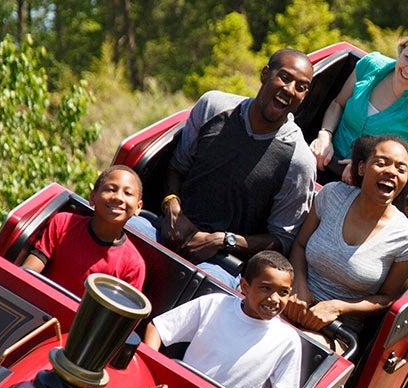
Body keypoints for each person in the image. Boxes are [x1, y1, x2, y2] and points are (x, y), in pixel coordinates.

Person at [135, 49, 317, 277]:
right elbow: (176, 167)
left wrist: (223, 241)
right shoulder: (213, 106)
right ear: (265, 74)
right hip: (170, 230)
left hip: (222, 263)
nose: (289, 90)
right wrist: (172, 207)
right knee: (126, 230)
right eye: (285, 77)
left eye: (300, 87)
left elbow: (281, 240)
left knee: (208, 287)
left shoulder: (299, 161)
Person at [285, 134, 408, 336]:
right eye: (381, 163)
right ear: (361, 168)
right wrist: (298, 283)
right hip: (292, 301)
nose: (391, 172)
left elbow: (386, 299)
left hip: (337, 329)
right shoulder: (332, 194)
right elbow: (299, 245)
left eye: (400, 169)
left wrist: (338, 307)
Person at [142, 250, 304, 388]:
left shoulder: (287, 339)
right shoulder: (215, 304)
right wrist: (154, 372)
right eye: (265, 288)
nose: (274, 299)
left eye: (283, 292)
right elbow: (158, 328)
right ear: (245, 286)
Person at [310, 29, 408, 187]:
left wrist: (371, 168)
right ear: (402, 49)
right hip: (324, 161)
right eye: (407, 58)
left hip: (367, 187)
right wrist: (325, 135)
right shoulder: (371, 65)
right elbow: (338, 104)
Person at [20, 166, 147, 295]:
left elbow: (119, 313)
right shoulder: (63, 223)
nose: (118, 197)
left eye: (128, 193)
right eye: (111, 189)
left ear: (138, 207)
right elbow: (27, 274)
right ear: (92, 197)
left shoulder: (133, 264)